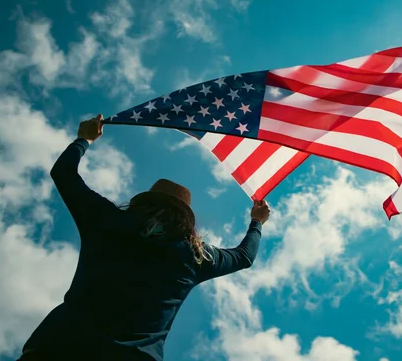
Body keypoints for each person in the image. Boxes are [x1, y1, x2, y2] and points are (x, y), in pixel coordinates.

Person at [18, 114, 270, 361]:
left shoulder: (107, 220)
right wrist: (256, 221)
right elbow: (244, 256)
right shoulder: (195, 256)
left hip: (56, 348)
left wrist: (84, 140)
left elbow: (63, 173)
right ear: (186, 219)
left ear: (142, 202)